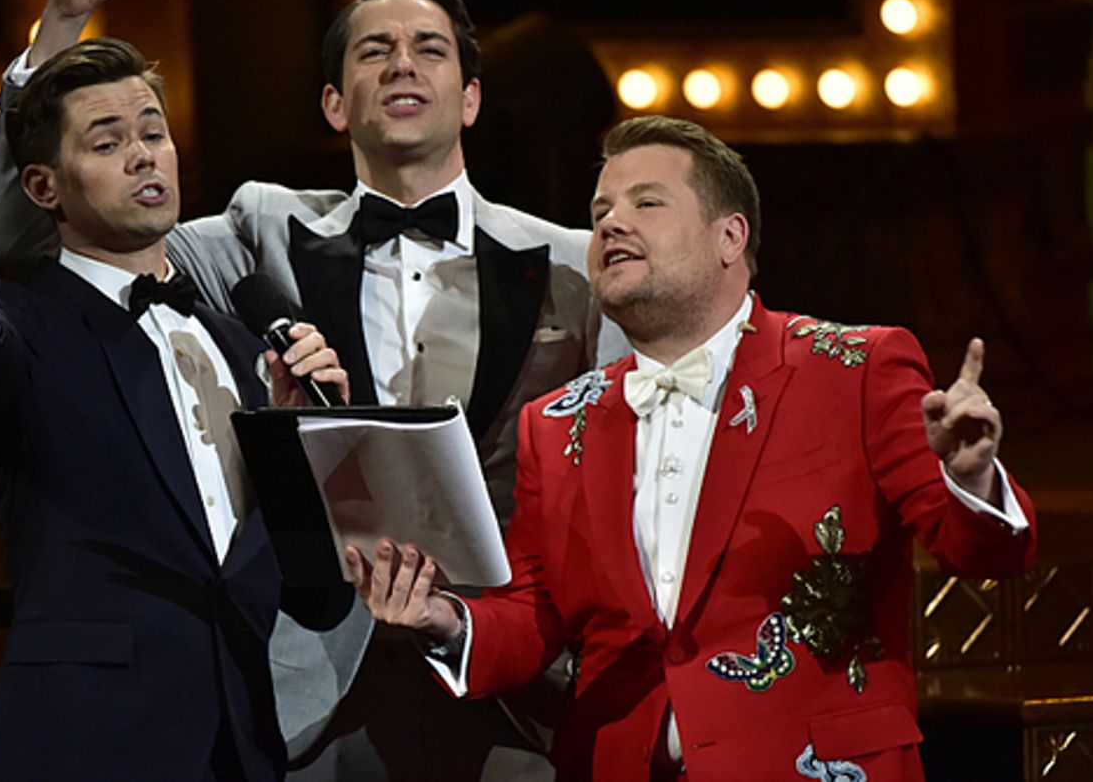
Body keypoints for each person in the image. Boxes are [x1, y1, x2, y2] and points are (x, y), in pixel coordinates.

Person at [0, 0, 627, 781]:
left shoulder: (571, 260)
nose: (402, 64)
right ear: (334, 103)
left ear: (471, 97)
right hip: (312, 693)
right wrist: (60, 25)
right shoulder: (257, 230)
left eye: (429, 49)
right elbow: (24, 235)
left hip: (508, 685)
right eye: (373, 51)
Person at [348, 115, 1037, 781]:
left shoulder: (856, 368)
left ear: (729, 236)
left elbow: (986, 552)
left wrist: (971, 478)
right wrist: (444, 618)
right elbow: (535, 614)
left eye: (647, 202)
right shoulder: (555, 423)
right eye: (600, 212)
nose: (612, 222)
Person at [0, 0, 352, 781]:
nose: (142, 155)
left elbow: (317, 600)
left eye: (153, 133)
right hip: (87, 746)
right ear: (44, 187)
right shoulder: (23, 328)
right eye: (107, 141)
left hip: (241, 748)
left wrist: (300, 454)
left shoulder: (237, 344)